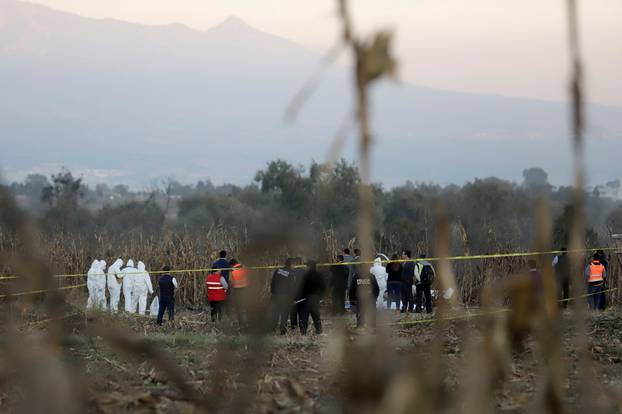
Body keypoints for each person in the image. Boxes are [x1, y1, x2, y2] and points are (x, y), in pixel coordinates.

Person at [299, 261, 326, 335]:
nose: (305, 267)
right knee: (316, 315)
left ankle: (303, 332)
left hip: (306, 298)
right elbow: (323, 287)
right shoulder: (319, 275)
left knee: (304, 316)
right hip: (316, 298)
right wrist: (321, 297)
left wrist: (300, 297)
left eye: (307, 266)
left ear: (309, 266)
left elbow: (301, 287)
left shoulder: (305, 275)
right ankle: (319, 331)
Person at [270, 258, 294, 334]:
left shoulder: (278, 270)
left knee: (275, 313)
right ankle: (283, 330)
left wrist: (273, 292)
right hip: (284, 296)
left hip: (275, 295)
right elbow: (291, 286)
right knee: (284, 314)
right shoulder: (291, 273)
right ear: (292, 264)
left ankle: (272, 329)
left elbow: (272, 282)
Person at [229, 259, 249, 325]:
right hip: (246, 290)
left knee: (239, 307)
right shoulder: (245, 269)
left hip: (237, 290)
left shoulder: (232, 271)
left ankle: (241, 323)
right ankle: (248, 322)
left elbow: (231, 282)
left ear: (232, 265)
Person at [290, 257, 306, 330]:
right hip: (303, 295)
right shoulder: (305, 272)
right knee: (302, 313)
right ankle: (303, 329)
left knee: (293, 313)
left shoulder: (291, 272)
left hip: (293, 295)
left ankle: (293, 328)